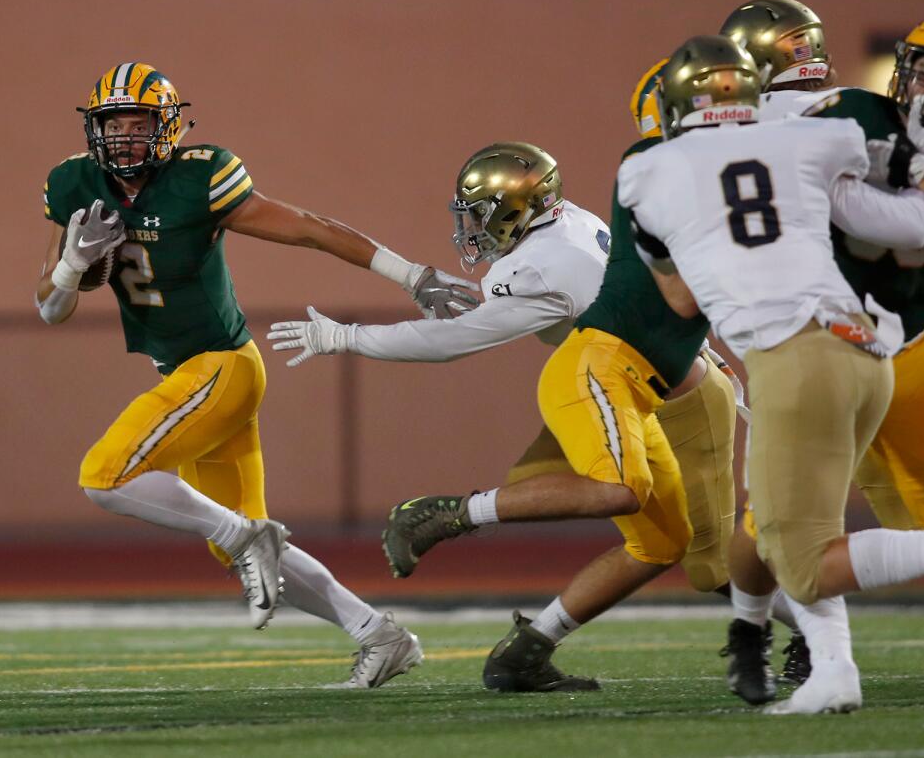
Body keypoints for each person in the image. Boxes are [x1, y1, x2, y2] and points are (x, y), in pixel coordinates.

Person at [269, 89, 741, 690]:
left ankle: (500, 598)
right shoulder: (567, 225)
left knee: (696, 553)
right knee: (574, 504)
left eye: (479, 211)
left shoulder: (541, 262)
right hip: (624, 384)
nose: (468, 226)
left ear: (517, 207)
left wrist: (346, 338)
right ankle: (523, 640)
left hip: (668, 396)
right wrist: (419, 283)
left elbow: (454, 341)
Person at [34, 62, 477, 687]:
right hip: (189, 375)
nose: (126, 137)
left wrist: (412, 276)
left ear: (168, 127)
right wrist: (71, 267)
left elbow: (309, 229)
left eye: (139, 124)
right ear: (94, 129)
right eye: (114, 124)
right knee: (233, 544)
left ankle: (251, 536)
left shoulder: (200, 176)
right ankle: (380, 635)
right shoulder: (74, 185)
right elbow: (50, 311)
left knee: (105, 475)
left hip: (223, 367)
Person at [626, 34, 924, 715]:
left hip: (823, 347)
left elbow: (680, 297)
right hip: (868, 339)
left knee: (804, 543)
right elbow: (902, 224)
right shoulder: (829, 130)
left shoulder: (655, 170)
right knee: (783, 525)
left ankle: (817, 660)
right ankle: (807, 654)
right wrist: (909, 168)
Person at [719, 5, 924, 698]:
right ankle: (753, 628)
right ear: (904, 69)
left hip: (910, 341)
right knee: (768, 521)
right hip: (824, 335)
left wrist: (917, 166)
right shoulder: (844, 111)